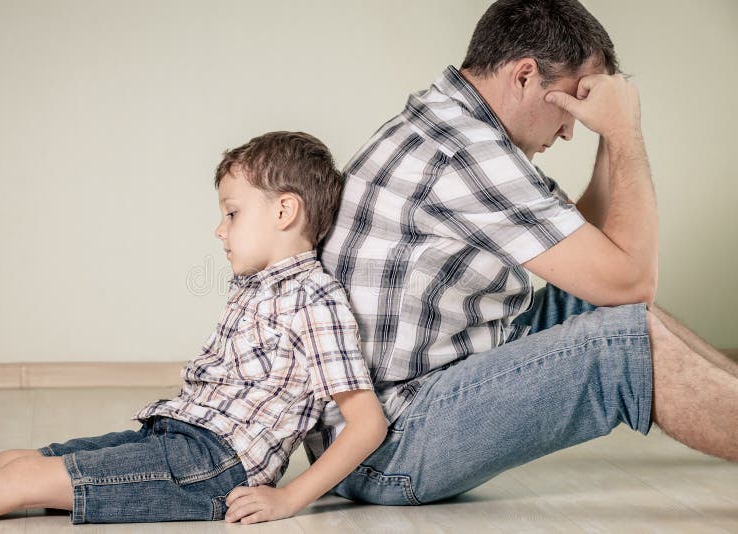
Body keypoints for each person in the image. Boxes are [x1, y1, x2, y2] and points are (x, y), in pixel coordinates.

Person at [304, 0, 738, 506]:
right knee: (623, 344)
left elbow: (595, 258)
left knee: (606, 308)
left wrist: (608, 140)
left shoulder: (452, 123)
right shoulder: (466, 152)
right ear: (526, 76)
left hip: (396, 410)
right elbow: (632, 279)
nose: (571, 127)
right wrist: (625, 131)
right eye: (573, 103)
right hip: (386, 444)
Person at [0, 131, 388, 525]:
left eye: (231, 213)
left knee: (22, 479)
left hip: (215, 465)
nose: (219, 229)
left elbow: (367, 425)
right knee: (15, 459)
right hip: (177, 435)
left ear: (284, 211)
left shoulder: (316, 300)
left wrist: (288, 498)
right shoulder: (256, 287)